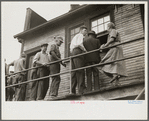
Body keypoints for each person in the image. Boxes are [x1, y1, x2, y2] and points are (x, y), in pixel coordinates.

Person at [70, 25, 87, 95]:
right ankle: (81, 90)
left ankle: (72, 90)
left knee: (74, 72)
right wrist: (85, 50)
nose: (86, 32)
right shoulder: (80, 35)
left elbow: (70, 48)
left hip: (73, 53)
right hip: (78, 51)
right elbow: (80, 44)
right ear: (81, 30)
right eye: (85, 30)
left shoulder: (74, 37)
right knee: (80, 70)